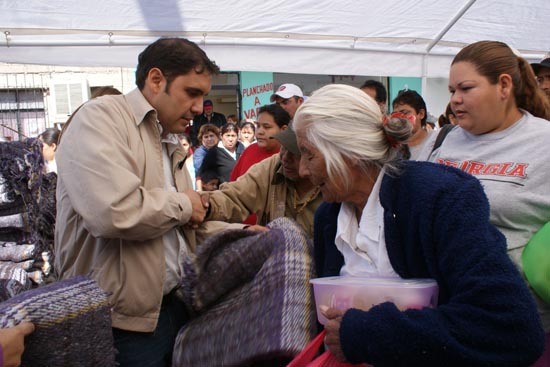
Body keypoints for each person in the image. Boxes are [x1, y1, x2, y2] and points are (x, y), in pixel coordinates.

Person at [293, 83, 544, 366]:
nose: (302, 169)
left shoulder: (439, 197)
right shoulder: (330, 216)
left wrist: (364, 334)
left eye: (309, 154)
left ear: (348, 151)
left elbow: (510, 327)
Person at [54, 37, 221, 367]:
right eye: (192, 93)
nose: (199, 108)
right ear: (156, 80)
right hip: (116, 324)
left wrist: (240, 234)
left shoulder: (169, 139)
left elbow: (180, 227)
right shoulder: (99, 119)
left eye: (203, 96)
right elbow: (113, 212)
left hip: (171, 310)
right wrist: (184, 204)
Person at [428, 40, 550, 366]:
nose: (455, 99)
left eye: (466, 88)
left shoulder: (544, 143)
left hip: (519, 324)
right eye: (453, 89)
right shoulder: (448, 139)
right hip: (448, 316)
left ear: (504, 86)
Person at [206, 126, 322, 237]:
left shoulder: (335, 183)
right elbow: (235, 197)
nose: (285, 158)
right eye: (284, 148)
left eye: (295, 154)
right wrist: (206, 205)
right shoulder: (272, 167)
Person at [391, 89, 436, 160]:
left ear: (421, 114)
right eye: (395, 115)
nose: (400, 118)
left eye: (405, 113)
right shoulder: (391, 145)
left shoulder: (436, 141)